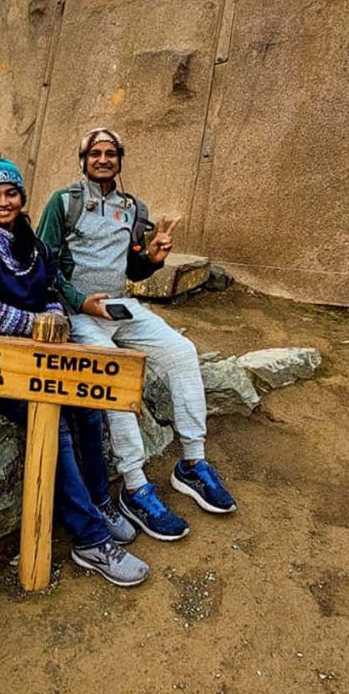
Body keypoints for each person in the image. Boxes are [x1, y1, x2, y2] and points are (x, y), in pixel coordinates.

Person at [0, 146, 149, 587]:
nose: (3, 203)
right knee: (52, 420)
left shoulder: (32, 243)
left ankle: (99, 500)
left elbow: (50, 292)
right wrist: (36, 325)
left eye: (11, 194)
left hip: (38, 355)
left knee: (87, 404)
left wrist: (54, 316)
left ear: (22, 197)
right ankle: (90, 539)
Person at [37, 128, 236, 541]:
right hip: (81, 312)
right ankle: (134, 485)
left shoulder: (132, 207)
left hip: (122, 306)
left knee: (182, 352)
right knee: (116, 373)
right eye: (96, 153)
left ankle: (192, 465)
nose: (104, 159)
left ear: (120, 160)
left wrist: (153, 259)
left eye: (111, 153)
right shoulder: (64, 202)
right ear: (84, 159)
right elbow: (45, 262)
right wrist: (79, 300)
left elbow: (133, 269)